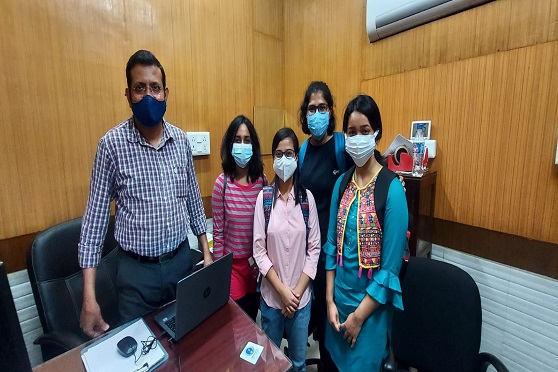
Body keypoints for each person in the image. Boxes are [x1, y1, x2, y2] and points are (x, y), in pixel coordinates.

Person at [78, 50, 212, 338]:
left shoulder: (181, 142)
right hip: (136, 275)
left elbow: (192, 200)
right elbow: (94, 223)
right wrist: (89, 296)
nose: (148, 96)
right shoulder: (111, 146)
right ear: (128, 94)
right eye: (140, 88)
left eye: (155, 88)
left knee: (186, 342)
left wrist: (206, 251)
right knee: (142, 355)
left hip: (180, 263)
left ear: (166, 92)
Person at [324, 95, 408, 371]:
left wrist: (358, 318)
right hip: (337, 310)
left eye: (364, 131)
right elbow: (331, 249)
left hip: (369, 317)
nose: (357, 138)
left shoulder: (392, 189)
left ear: (377, 134)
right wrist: (328, 301)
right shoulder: (341, 184)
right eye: (351, 132)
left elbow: (389, 271)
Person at [253, 127, 321, 372]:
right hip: (272, 298)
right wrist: (282, 292)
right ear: (273, 159)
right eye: (279, 154)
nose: (284, 160)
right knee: (270, 362)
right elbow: (259, 251)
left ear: (296, 158)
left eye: (289, 153)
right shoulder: (264, 199)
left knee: (299, 363)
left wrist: (295, 294)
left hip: (301, 302)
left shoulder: (307, 200)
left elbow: (314, 250)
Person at [297, 81, 352, 371]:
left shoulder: (344, 145)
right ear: (304, 115)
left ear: (330, 111)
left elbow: (373, 171)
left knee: (334, 323)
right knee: (314, 317)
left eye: (321, 108)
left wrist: (398, 181)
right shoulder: (303, 151)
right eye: (311, 109)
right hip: (308, 255)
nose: (316, 114)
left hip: (337, 256)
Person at [211, 115, 267, 321]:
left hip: (256, 267)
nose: (242, 145)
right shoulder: (222, 184)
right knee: (236, 323)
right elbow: (218, 234)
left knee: (253, 320)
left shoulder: (262, 182)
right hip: (232, 268)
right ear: (229, 145)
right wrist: (219, 275)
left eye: (247, 140)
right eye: (237, 139)